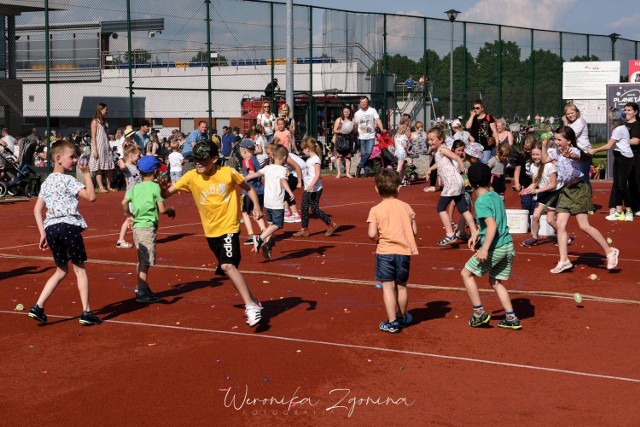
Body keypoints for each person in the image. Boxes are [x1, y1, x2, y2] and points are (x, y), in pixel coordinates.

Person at [159, 140, 264, 327]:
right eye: (196, 159)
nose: (198, 163)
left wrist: (256, 206)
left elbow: (249, 190)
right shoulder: (191, 176)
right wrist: (162, 187)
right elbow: (167, 194)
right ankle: (254, 300)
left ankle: (250, 305)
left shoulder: (228, 173)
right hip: (211, 233)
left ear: (215, 158)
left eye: (203, 160)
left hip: (229, 228)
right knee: (229, 271)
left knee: (227, 266)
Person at [28, 139, 101, 326]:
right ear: (58, 158)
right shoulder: (69, 180)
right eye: (72, 157)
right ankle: (86, 312)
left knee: (61, 270)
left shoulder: (46, 183)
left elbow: (37, 209)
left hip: (51, 228)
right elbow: (91, 197)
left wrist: (42, 232)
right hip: (68, 225)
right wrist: (86, 174)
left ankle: (38, 306)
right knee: (79, 270)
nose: (75, 160)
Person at [541, 126, 619, 274]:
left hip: (579, 189)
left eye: (559, 139)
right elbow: (545, 159)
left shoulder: (573, 151)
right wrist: (545, 146)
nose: (556, 142)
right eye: (555, 139)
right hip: (566, 190)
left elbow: (578, 156)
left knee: (584, 226)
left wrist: (569, 155)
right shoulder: (556, 152)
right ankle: (564, 260)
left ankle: (610, 252)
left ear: (569, 141)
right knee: (560, 224)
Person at [461, 162, 522, 330]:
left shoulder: (480, 201)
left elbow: (492, 226)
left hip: (496, 247)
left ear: (470, 183)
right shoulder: (495, 195)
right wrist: (476, 233)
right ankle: (511, 317)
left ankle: (479, 313)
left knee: (466, 273)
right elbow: (491, 222)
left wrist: (485, 249)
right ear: (490, 178)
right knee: (495, 281)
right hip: (508, 245)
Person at [367, 169, 418, 334]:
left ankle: (392, 322)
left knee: (388, 287)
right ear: (398, 188)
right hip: (403, 252)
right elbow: (414, 231)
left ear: (377, 189)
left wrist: (377, 240)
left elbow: (372, 234)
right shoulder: (406, 207)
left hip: (385, 252)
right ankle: (402, 317)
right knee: (402, 286)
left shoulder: (376, 209)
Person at [123, 156, 176, 303]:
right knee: (146, 262)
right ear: (155, 172)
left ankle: (142, 286)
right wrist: (171, 210)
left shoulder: (136, 187)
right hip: (147, 227)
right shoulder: (155, 187)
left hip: (137, 228)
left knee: (141, 259)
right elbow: (162, 209)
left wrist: (129, 215)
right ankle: (141, 291)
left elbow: (124, 202)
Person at [426, 127, 477, 245]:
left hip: (452, 182)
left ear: (440, 139)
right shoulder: (438, 151)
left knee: (440, 207)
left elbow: (456, 157)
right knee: (463, 208)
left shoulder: (443, 150)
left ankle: (450, 234)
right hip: (455, 182)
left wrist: (462, 166)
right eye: (429, 140)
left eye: (432, 139)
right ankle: (474, 232)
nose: (430, 142)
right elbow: (439, 164)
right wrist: (429, 169)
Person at [245, 144, 295, 259]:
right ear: (284, 158)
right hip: (276, 202)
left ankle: (266, 244)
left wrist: (246, 178)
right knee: (277, 224)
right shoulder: (283, 169)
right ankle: (260, 239)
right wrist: (290, 192)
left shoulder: (268, 168)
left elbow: (257, 174)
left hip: (268, 203)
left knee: (271, 224)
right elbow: (283, 181)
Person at [588, 109, 634, 221]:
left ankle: (629, 210)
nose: (609, 118)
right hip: (619, 156)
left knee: (622, 186)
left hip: (625, 158)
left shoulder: (619, 129)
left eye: (610, 116)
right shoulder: (619, 128)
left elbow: (608, 146)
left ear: (615, 117)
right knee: (617, 185)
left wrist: (594, 150)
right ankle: (619, 212)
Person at [292, 136, 339, 238]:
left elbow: (317, 174)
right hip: (309, 188)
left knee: (314, 209)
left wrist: (311, 186)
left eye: (303, 149)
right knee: (305, 208)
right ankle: (304, 229)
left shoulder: (316, 159)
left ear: (308, 148)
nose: (303, 151)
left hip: (314, 189)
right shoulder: (310, 160)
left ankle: (331, 224)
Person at [521, 141, 560, 247]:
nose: (535, 156)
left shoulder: (549, 166)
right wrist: (527, 190)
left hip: (553, 193)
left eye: (537, 154)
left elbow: (553, 185)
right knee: (535, 216)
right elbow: (534, 182)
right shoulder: (533, 166)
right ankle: (534, 237)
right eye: (533, 154)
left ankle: (562, 235)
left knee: (550, 220)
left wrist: (537, 191)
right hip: (543, 192)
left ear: (543, 154)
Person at [238, 139, 267, 248]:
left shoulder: (247, 160)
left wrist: (243, 179)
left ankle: (251, 235)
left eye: (241, 150)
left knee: (245, 213)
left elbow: (251, 173)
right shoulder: (255, 159)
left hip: (249, 191)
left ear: (244, 151)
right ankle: (264, 232)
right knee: (257, 212)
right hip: (260, 190)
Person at [115, 143, 142, 249]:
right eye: (138, 155)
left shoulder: (137, 166)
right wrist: (121, 159)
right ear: (131, 155)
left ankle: (122, 240)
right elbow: (121, 165)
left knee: (132, 218)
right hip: (131, 197)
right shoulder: (127, 167)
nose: (139, 158)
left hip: (138, 197)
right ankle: (122, 240)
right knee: (131, 218)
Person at [562, 103, 592, 191]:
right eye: (568, 114)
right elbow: (562, 134)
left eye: (572, 113)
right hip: (574, 153)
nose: (570, 115)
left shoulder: (580, 121)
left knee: (583, 178)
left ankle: (587, 199)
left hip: (584, 152)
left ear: (577, 112)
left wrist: (565, 123)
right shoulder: (570, 124)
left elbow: (569, 135)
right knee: (574, 178)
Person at [354, 96, 384, 178]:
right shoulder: (357, 113)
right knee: (364, 154)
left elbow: (378, 120)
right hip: (361, 136)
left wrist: (382, 129)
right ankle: (366, 171)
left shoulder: (372, 110)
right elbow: (356, 125)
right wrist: (354, 133)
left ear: (368, 103)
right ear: (360, 103)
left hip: (371, 136)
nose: (363, 104)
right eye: (362, 102)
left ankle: (359, 166)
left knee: (369, 153)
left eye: (365, 102)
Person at [88, 103, 115, 193]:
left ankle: (108, 185)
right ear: (100, 109)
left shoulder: (104, 121)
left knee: (111, 166)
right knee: (98, 168)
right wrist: (95, 150)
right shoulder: (95, 121)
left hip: (106, 146)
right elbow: (93, 136)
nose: (107, 111)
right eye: (105, 109)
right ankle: (101, 187)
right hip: (98, 146)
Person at [465, 99, 497, 164]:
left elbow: (494, 131)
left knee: (484, 163)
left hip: (486, 146)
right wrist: (471, 116)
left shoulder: (488, 117)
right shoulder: (473, 118)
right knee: (474, 164)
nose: (475, 109)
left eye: (477, 108)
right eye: (474, 108)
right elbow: (467, 126)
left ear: (482, 108)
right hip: (475, 147)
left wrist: (497, 145)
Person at [623, 102, 640, 216]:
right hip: (625, 157)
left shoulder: (637, 125)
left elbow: (636, 141)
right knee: (629, 184)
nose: (626, 112)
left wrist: (620, 141)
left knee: (637, 182)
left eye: (629, 110)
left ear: (635, 112)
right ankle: (634, 207)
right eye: (625, 110)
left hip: (636, 156)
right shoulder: (623, 125)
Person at [512, 135, 535, 215]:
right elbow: (517, 170)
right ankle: (526, 220)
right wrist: (516, 182)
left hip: (535, 185)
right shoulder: (521, 156)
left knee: (534, 204)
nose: (528, 151)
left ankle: (532, 221)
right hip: (524, 185)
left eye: (530, 149)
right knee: (526, 203)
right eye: (526, 149)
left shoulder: (536, 156)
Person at [333, 105, 355, 179]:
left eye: (348, 111)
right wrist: (341, 131)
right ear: (342, 112)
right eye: (345, 111)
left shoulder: (352, 120)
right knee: (339, 157)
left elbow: (355, 131)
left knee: (348, 157)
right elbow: (334, 130)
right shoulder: (339, 120)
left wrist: (351, 130)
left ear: (350, 112)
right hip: (339, 140)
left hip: (348, 140)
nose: (346, 113)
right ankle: (339, 173)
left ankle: (348, 173)